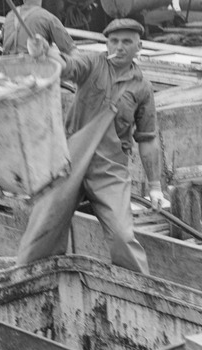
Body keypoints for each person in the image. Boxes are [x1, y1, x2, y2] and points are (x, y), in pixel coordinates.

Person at [21, 17, 167, 275]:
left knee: (122, 235)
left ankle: (137, 292)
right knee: (42, 226)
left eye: (126, 42)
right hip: (68, 161)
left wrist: (155, 186)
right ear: (106, 43)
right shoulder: (92, 64)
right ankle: (32, 279)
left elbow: (148, 138)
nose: (119, 47)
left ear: (139, 46)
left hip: (109, 170)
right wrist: (46, 53)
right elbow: (67, 67)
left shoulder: (143, 88)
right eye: (113, 41)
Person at [0, 0, 76, 56]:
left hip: (7, 66)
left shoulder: (11, 15)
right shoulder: (48, 18)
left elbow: (1, 42)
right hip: (33, 68)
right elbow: (72, 52)